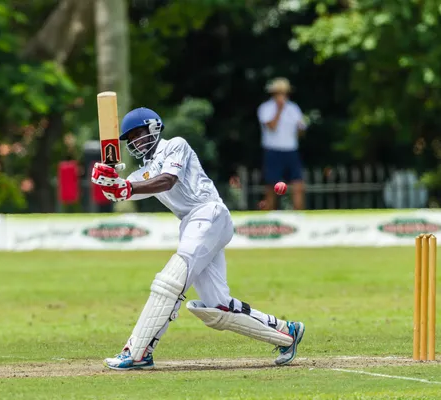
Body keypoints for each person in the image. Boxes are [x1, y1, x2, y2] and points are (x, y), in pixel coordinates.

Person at [91, 107, 305, 370]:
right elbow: (123, 191)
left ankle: (138, 352)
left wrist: (126, 186)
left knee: (170, 281)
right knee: (216, 308)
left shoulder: (175, 146)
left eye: (138, 133)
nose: (135, 141)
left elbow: (167, 180)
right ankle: (287, 333)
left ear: (154, 128)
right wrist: (107, 182)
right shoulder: (142, 173)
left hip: (208, 213)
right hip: (192, 224)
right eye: (130, 138)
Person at [257, 77, 307, 210]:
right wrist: (279, 110)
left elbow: (301, 131)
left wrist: (300, 128)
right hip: (273, 150)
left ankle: (300, 217)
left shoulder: (293, 108)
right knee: (272, 187)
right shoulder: (266, 108)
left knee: (298, 186)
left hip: (291, 150)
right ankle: (269, 219)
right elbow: (271, 126)